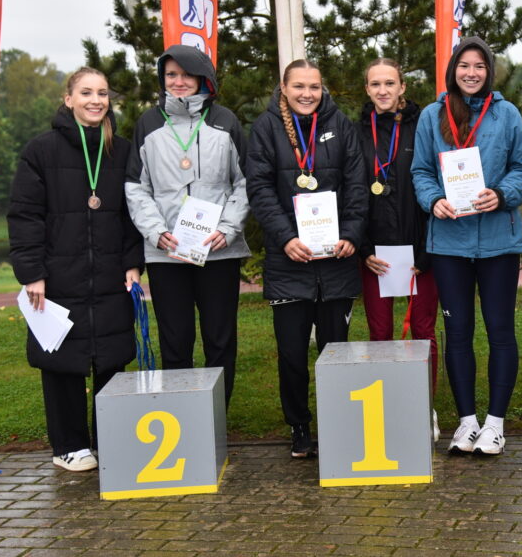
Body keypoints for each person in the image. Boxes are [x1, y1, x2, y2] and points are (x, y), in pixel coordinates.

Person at [8, 68, 145, 471]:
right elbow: (25, 216)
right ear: (68, 100)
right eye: (86, 93)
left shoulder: (121, 150)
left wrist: (132, 263)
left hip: (110, 272)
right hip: (57, 274)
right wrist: (32, 272)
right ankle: (68, 446)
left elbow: (132, 215)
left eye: (102, 93)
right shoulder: (41, 151)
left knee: (111, 357)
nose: (95, 100)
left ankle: (109, 439)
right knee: (62, 360)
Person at [411, 37, 522, 456]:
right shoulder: (432, 116)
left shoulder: (507, 114)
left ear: (489, 71)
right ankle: (466, 422)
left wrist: (502, 194)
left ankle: (495, 424)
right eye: (464, 65)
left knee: (500, 330)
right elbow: (421, 170)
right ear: (453, 70)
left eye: (479, 66)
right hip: (449, 243)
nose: (471, 73)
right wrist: (433, 200)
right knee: (457, 332)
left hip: (499, 241)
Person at [246, 59, 368, 458]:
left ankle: (336, 426)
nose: (307, 94)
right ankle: (299, 427)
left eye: (314, 86)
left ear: (322, 88)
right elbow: (259, 189)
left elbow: (356, 184)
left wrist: (351, 234)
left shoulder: (340, 125)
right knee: (292, 355)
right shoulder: (265, 128)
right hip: (289, 262)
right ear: (284, 88)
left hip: (336, 261)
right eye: (298, 86)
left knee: (336, 353)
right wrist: (286, 238)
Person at [125, 45, 250, 406]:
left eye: (186, 74)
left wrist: (227, 229)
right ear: (162, 79)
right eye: (171, 75)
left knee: (219, 339)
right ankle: (181, 416)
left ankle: (216, 414)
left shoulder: (225, 121)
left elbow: (245, 182)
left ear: (202, 78)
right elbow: (136, 186)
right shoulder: (149, 123)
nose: (178, 82)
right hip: (167, 253)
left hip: (218, 250)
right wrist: (156, 232)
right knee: (175, 340)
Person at [357, 58, 441, 441]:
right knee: (380, 334)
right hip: (374, 254)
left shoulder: (422, 125)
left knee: (423, 332)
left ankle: (425, 407)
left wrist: (427, 249)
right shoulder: (357, 131)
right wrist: (362, 249)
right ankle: (387, 409)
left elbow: (434, 181)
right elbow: (350, 190)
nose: (383, 90)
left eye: (389, 83)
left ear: (402, 86)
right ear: (367, 89)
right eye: (375, 84)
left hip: (418, 251)